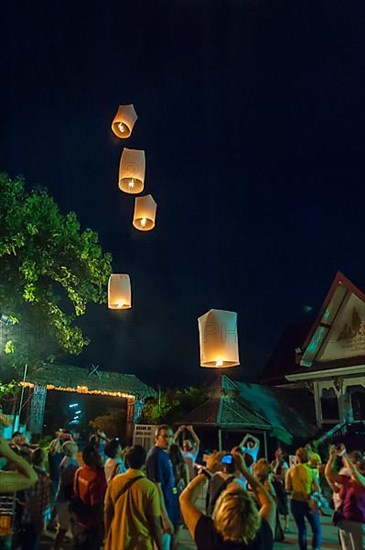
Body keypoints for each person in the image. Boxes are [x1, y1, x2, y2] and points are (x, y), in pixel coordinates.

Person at [180, 450, 275, 549]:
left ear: (220, 512)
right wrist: (245, 471)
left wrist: (207, 471)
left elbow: (184, 499)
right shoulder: (262, 538)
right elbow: (269, 503)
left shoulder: (209, 537)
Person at [104, 445, 163, 550]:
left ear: (127, 461)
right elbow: (155, 522)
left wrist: (108, 536)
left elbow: (108, 511)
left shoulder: (115, 482)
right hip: (141, 544)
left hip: (118, 541)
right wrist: (160, 546)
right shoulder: (149, 487)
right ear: (144, 463)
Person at [325, 444, 365, 550]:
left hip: (358, 522)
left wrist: (344, 455)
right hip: (344, 521)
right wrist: (331, 458)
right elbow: (328, 474)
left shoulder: (362, 480)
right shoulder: (348, 480)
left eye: (353, 463)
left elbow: (354, 473)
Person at [146, 425, 180, 550]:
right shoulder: (155, 457)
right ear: (156, 437)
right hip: (163, 514)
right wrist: (165, 519)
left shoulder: (163, 454)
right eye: (165, 436)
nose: (168, 440)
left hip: (170, 508)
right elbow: (156, 489)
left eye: (171, 436)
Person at [71, 444, 107, 550]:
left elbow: (75, 492)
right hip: (92, 524)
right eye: (99, 453)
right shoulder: (97, 478)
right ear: (93, 456)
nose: (102, 456)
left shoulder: (79, 471)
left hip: (80, 519)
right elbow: (96, 505)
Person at [286, 446, 321, 550]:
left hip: (295, 501)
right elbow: (317, 488)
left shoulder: (290, 470)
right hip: (308, 501)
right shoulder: (311, 471)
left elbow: (288, 487)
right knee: (316, 529)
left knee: (302, 529)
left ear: (297, 457)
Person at [19, 447, 51, 550]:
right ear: (42, 460)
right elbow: (35, 499)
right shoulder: (40, 477)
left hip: (26, 516)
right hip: (33, 518)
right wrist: (39, 520)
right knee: (31, 545)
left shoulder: (28, 472)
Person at [53, 440, 79, 550]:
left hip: (63, 497)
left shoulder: (66, 461)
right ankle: (57, 547)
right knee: (64, 528)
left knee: (68, 526)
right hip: (66, 498)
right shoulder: (72, 464)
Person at [271, 448, 289, 531]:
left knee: (283, 503)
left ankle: (287, 524)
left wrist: (273, 476)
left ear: (281, 455)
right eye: (276, 451)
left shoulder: (283, 464)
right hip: (273, 485)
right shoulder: (273, 462)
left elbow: (283, 476)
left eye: (279, 452)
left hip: (280, 486)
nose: (276, 453)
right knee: (275, 505)